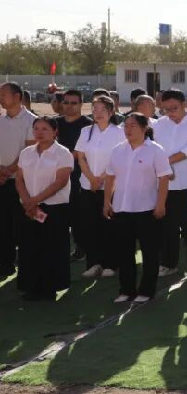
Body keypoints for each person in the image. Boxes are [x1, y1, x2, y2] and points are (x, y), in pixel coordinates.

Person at [103, 113, 170, 303]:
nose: (128, 129)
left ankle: (146, 291)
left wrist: (160, 204)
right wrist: (107, 202)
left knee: (149, 252)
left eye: (133, 126)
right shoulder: (118, 150)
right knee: (124, 252)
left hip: (147, 209)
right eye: (126, 126)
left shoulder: (156, 150)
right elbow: (110, 177)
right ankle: (126, 290)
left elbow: (164, 178)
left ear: (144, 128)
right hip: (121, 208)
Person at [15, 116, 74, 300]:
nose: (39, 133)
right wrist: (28, 202)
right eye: (36, 129)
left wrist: (35, 201)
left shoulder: (62, 153)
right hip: (29, 209)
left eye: (45, 129)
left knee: (52, 249)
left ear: (55, 132)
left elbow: (60, 182)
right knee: (29, 248)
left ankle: (49, 288)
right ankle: (31, 287)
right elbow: (19, 179)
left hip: (54, 209)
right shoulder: (26, 153)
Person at [153, 89, 187, 278]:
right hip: (166, 185)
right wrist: (163, 168)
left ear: (184, 105)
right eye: (166, 109)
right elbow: (157, 149)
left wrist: (167, 162)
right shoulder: (160, 124)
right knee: (167, 227)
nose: (170, 113)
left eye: (174, 108)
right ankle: (168, 263)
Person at [76, 95, 126, 279]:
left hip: (110, 186)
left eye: (102, 109)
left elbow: (119, 159)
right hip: (87, 185)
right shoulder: (86, 131)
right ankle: (94, 263)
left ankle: (111, 264)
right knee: (90, 225)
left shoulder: (119, 132)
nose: (98, 113)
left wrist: (102, 178)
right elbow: (81, 157)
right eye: (95, 109)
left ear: (111, 112)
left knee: (109, 225)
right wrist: (91, 178)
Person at [0, 82, 37, 279]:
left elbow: (29, 150)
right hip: (2, 181)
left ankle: (26, 271)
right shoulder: (1, 120)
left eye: (3, 94)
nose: (0, 98)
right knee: (3, 226)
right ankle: (5, 265)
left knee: (22, 228)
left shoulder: (31, 121)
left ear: (17, 97)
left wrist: (9, 170)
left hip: (21, 183)